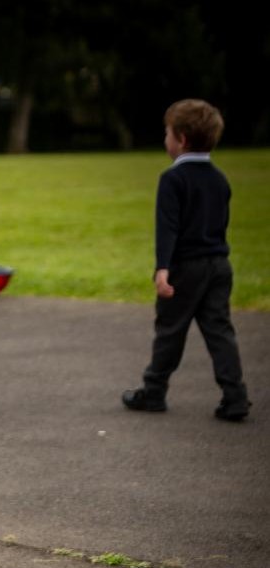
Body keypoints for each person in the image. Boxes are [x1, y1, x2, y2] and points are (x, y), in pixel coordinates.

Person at [122, 99, 250, 422]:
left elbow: (168, 229)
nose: (164, 138)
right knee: (220, 330)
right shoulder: (220, 179)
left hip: (186, 267)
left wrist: (162, 269)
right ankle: (235, 396)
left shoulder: (173, 179)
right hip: (219, 266)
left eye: (167, 132)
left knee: (170, 329)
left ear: (181, 139)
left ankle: (154, 391)